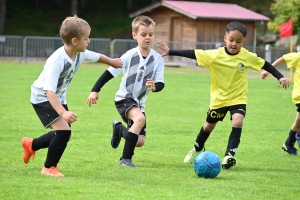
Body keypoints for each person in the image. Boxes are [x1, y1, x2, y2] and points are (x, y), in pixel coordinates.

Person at [157, 21, 290, 169]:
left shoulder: (246, 56)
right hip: (219, 99)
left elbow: (265, 64)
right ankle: (197, 147)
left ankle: (229, 156)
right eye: (231, 40)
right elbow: (193, 53)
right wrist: (171, 52)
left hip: (238, 97)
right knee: (208, 126)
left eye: (239, 41)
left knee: (238, 121)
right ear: (225, 38)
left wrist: (280, 76)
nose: (234, 44)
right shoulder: (214, 55)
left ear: (244, 42)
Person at [21, 15, 123, 177]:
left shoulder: (79, 53)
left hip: (58, 97)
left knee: (65, 135)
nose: (88, 41)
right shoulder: (57, 61)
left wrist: (112, 62)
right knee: (63, 133)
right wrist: (63, 112)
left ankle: (31, 145)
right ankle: (48, 168)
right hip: (43, 98)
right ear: (75, 41)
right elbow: (49, 91)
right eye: (86, 38)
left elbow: (97, 57)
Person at [86, 15, 165, 168]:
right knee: (139, 119)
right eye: (143, 34)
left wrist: (155, 87)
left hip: (139, 103)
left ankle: (118, 129)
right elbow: (109, 73)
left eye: (150, 34)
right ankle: (125, 159)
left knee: (139, 141)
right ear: (134, 35)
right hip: (124, 98)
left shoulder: (158, 59)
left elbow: (161, 82)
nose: (147, 38)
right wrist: (95, 90)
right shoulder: (130, 55)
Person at [261, 52, 300, 155]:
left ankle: (288, 144)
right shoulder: (298, 56)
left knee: (298, 122)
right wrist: (267, 71)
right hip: (299, 95)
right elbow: (284, 58)